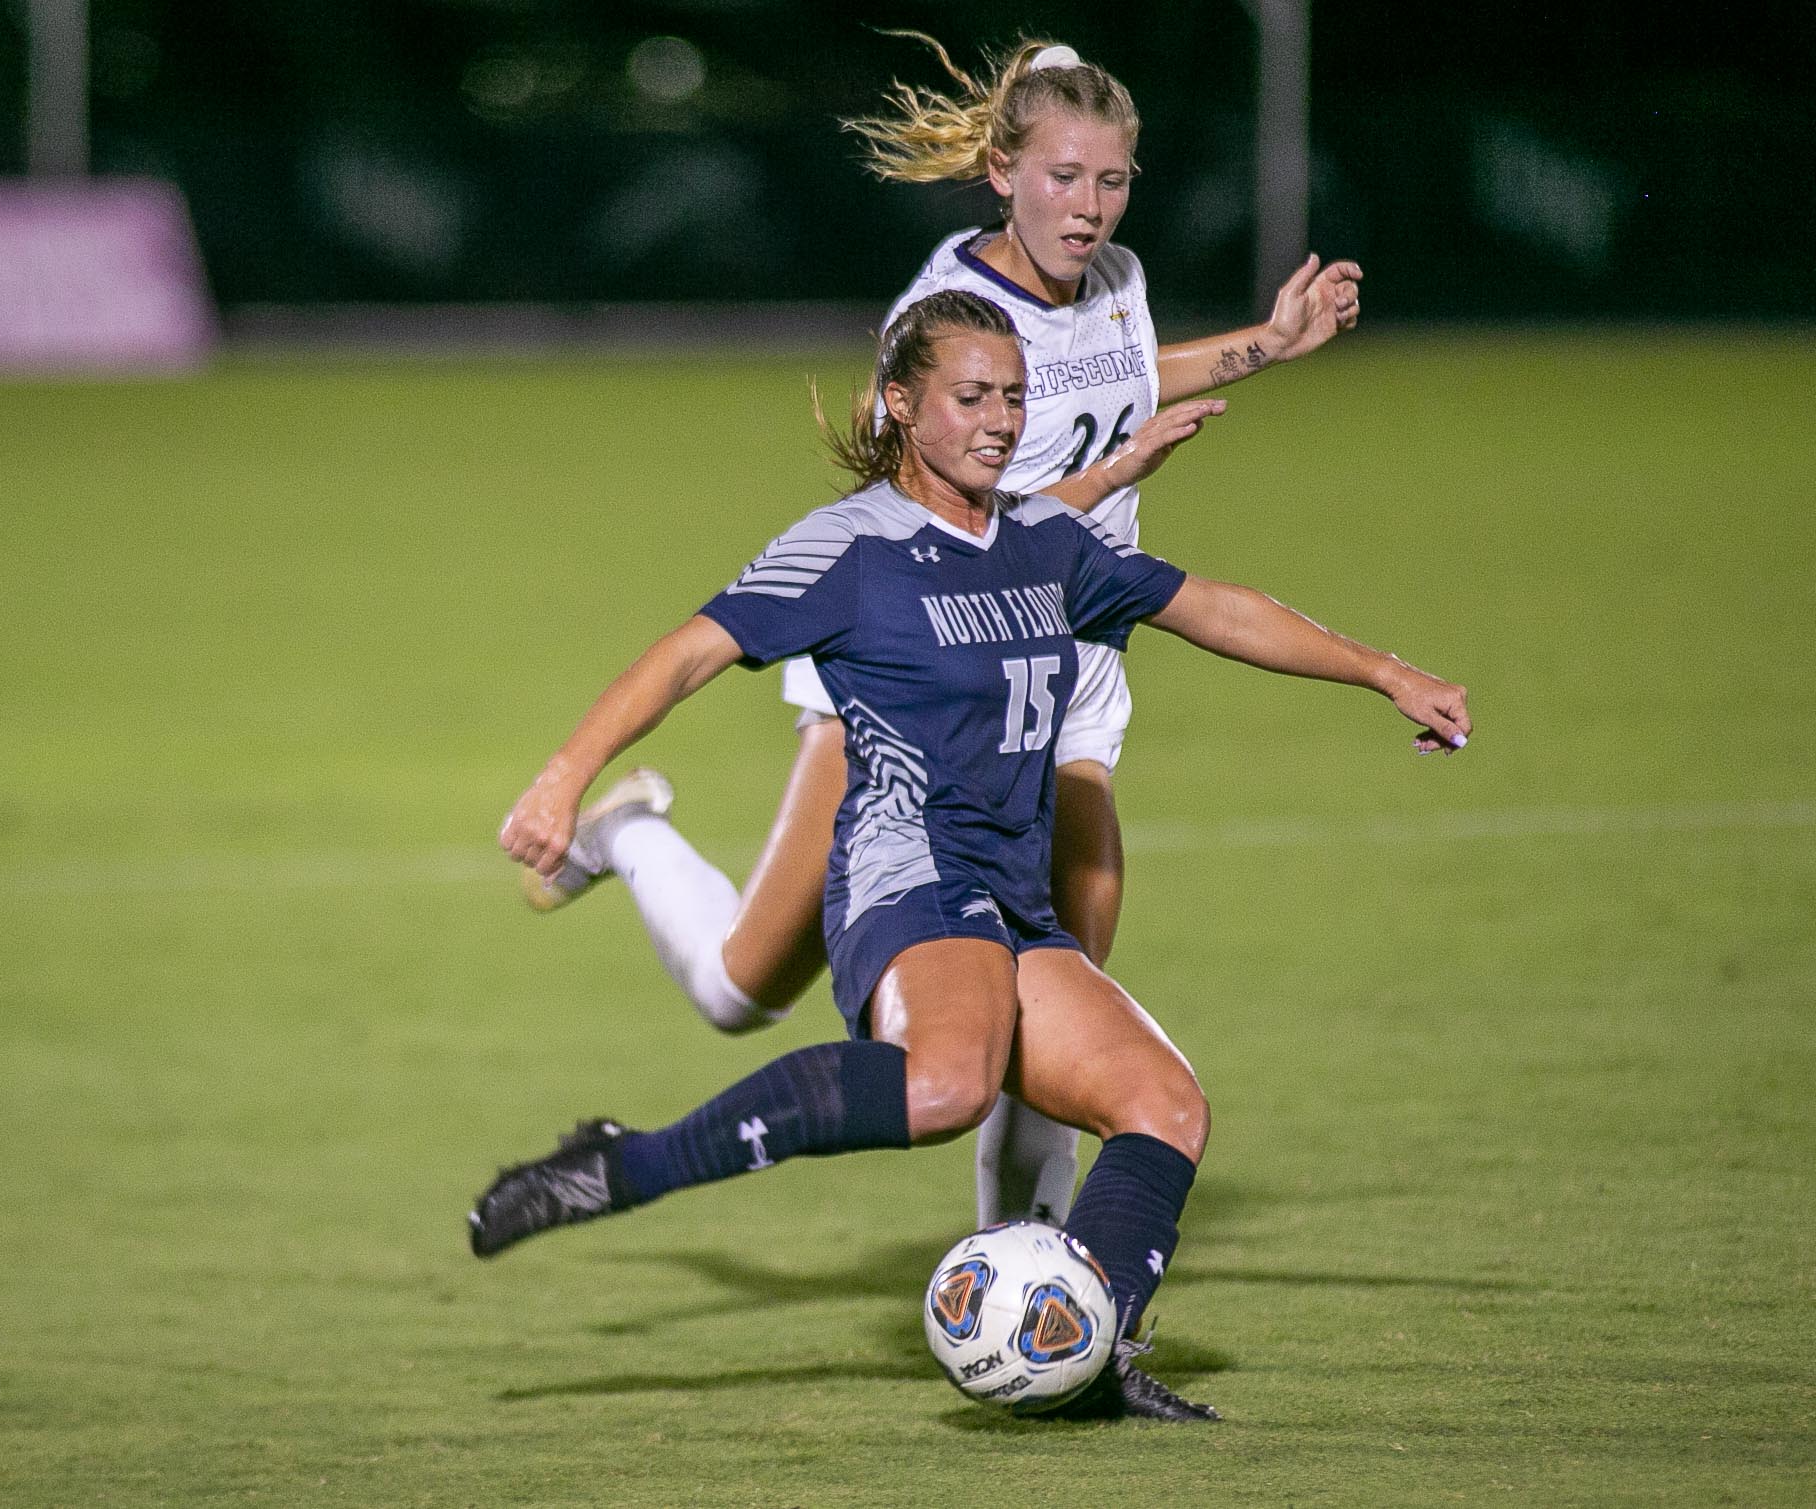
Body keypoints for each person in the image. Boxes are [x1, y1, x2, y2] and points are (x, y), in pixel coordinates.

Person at [474, 290, 1470, 1421]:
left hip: (1011, 895)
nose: (997, 419)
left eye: (1011, 396)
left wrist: (1386, 671)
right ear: (901, 404)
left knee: (1162, 1104)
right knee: (944, 1084)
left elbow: (1214, 612)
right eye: (968, 397)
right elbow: (685, 656)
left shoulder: (1044, 543)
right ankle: (620, 1165)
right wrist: (562, 776)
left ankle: (1086, 1353)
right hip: (905, 878)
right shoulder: (848, 548)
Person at [520, 34, 1368, 1233]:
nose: (1086, 206)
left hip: (1068, 681)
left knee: (1065, 977)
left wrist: (1262, 348)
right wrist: (1101, 485)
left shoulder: (1114, 281)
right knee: (737, 990)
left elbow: (1114, 374)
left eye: (1109, 180)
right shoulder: (940, 320)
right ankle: (632, 839)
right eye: (1062, 178)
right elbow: (950, 534)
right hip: (918, 676)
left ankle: (1025, 1283)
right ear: (1001, 171)